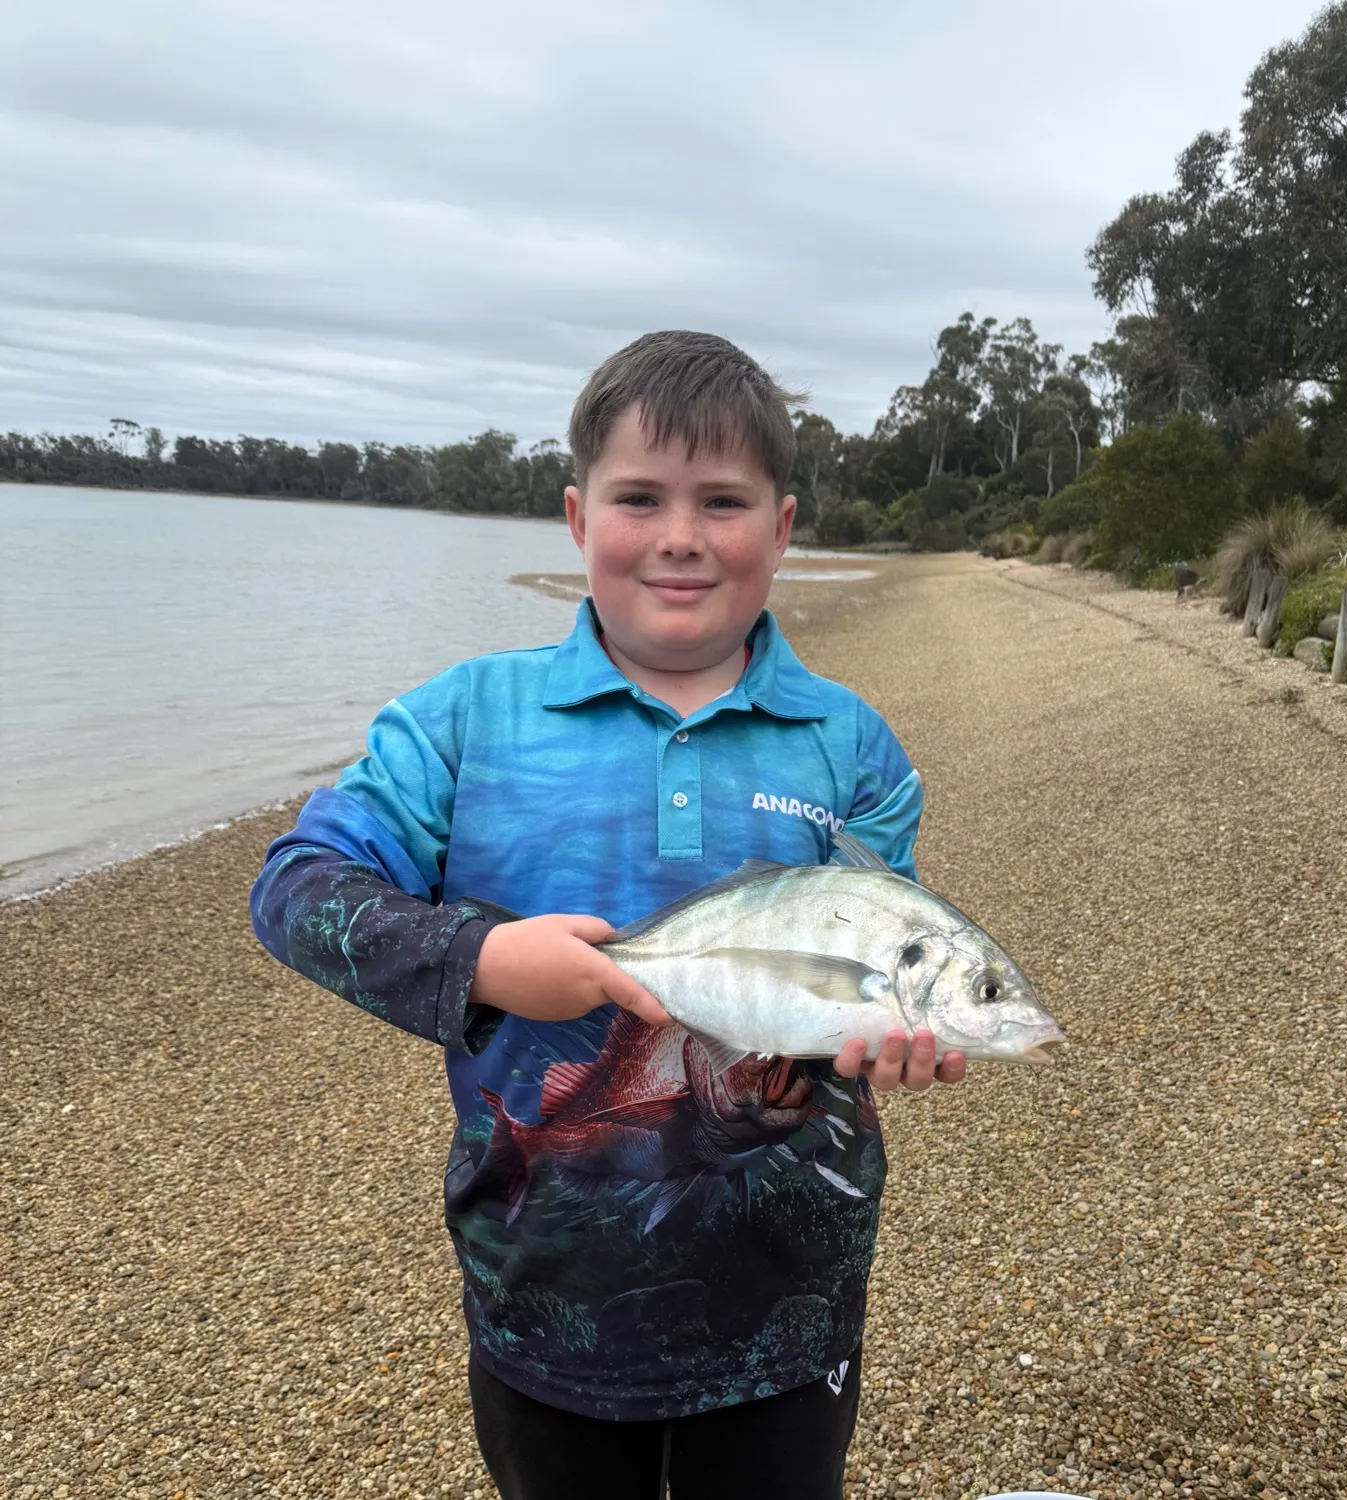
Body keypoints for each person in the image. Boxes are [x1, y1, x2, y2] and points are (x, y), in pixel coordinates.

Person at [249, 329, 966, 1500]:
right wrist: (483, 958)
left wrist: (900, 1038)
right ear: (580, 519)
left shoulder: (852, 747)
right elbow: (294, 887)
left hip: (791, 1300)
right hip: (542, 1299)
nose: (681, 534)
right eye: (641, 498)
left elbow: (887, 942)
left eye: (722, 501)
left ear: (783, 526)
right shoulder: (462, 721)